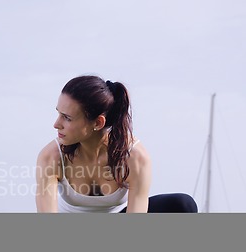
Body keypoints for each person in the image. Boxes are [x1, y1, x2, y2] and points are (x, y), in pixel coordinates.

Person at [36, 75, 197, 213]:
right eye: (59, 114)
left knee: (182, 204)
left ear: (98, 123)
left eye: (67, 118)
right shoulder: (52, 156)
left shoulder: (135, 157)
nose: (56, 124)